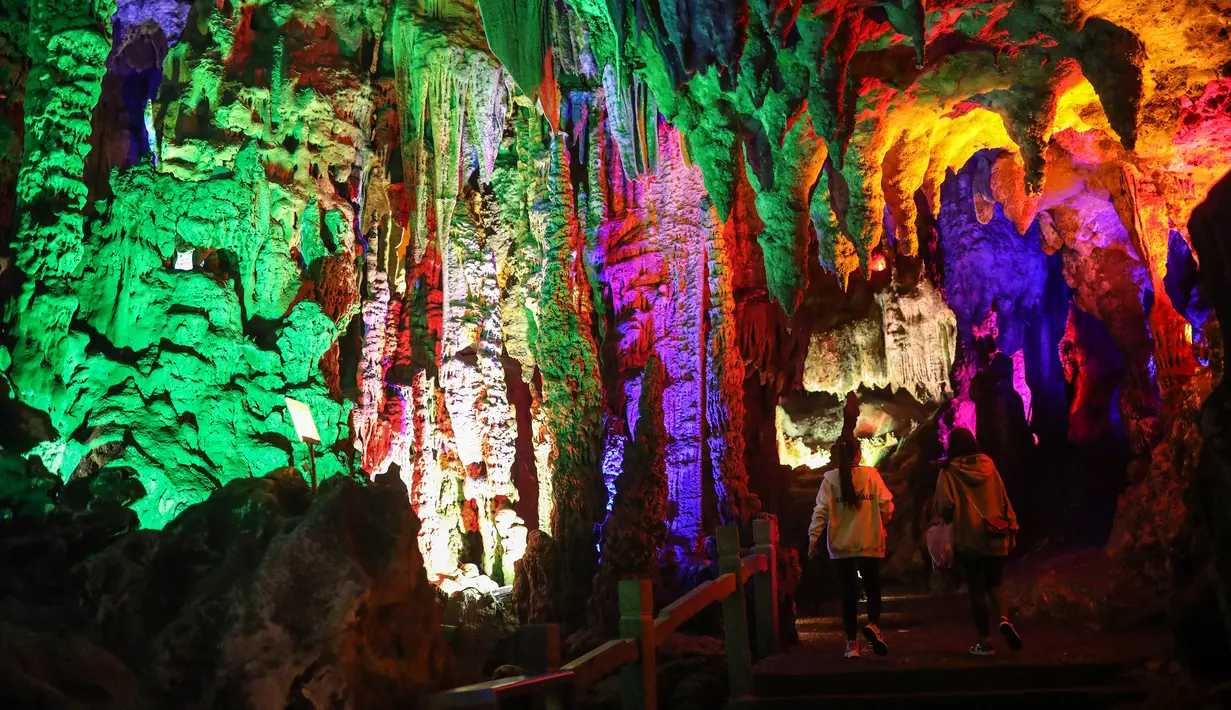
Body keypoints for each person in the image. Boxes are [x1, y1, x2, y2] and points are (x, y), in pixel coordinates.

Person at [936, 427, 1023, 656]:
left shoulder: (948, 472)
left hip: (968, 538)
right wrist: (1012, 527)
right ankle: (1004, 619)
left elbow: (945, 506)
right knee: (995, 583)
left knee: (976, 589)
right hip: (994, 535)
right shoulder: (989, 466)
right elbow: (1004, 498)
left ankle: (984, 641)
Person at [808, 436, 894, 659]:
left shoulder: (829, 480)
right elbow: (887, 505)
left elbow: (821, 511)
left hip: (840, 545)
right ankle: (873, 625)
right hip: (869, 541)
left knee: (847, 594)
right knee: (873, 587)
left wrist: (813, 538)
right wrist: (880, 524)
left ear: (837, 456)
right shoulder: (872, 476)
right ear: (859, 454)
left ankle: (851, 644)